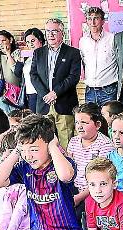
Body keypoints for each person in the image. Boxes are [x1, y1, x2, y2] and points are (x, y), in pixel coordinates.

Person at [30, 18, 81, 149]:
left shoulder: (73, 53)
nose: (50, 35)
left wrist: (55, 93)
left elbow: (74, 77)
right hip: (44, 104)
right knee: (45, 142)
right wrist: (46, 94)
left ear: (62, 33)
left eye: (54, 31)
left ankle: (68, 168)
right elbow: (33, 75)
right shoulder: (38, 52)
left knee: (66, 143)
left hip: (64, 104)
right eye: (48, 31)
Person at [67, 103, 114, 208]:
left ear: (97, 125)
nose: (79, 126)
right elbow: (68, 169)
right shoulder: (73, 141)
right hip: (73, 189)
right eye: (77, 122)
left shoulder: (105, 144)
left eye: (84, 122)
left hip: (94, 193)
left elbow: (101, 178)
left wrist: (78, 198)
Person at [80, 7, 118, 107]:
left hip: (109, 90)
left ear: (103, 21)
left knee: (109, 121)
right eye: (89, 19)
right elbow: (84, 62)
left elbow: (120, 62)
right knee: (90, 120)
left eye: (96, 18)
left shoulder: (112, 39)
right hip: (90, 90)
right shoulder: (83, 41)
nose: (92, 22)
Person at [14, 28, 45, 113]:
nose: (30, 44)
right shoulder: (28, 57)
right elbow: (17, 73)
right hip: (30, 94)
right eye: (27, 42)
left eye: (33, 41)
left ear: (40, 40)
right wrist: (21, 58)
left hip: (42, 93)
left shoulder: (45, 55)